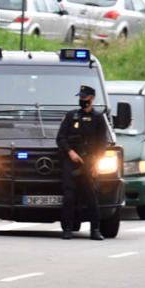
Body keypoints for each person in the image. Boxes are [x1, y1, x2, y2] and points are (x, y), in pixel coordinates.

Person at [55, 85, 111, 241]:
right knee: (69, 195)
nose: (82, 100)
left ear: (92, 98)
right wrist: (70, 152)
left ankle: (95, 230)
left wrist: (95, 164)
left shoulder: (98, 119)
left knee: (91, 196)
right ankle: (67, 229)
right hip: (72, 162)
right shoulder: (71, 116)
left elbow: (102, 144)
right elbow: (61, 138)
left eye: (85, 98)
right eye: (80, 97)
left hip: (89, 162)